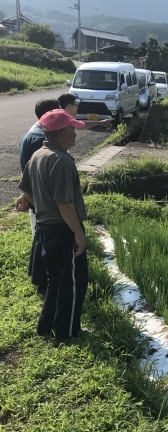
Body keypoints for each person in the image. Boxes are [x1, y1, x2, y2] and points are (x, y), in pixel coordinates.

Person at [17, 109, 88, 339]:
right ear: (63, 133)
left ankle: (47, 326)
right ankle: (67, 332)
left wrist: (37, 204)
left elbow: (25, 188)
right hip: (63, 228)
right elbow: (65, 204)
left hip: (45, 228)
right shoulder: (61, 161)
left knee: (55, 279)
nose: (76, 134)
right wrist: (78, 233)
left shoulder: (38, 155)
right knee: (73, 282)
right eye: (73, 130)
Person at [17, 98, 61, 292]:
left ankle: (39, 279)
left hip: (35, 198)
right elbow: (39, 176)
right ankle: (44, 284)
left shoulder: (31, 134)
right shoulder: (40, 140)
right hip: (43, 202)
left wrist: (25, 194)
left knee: (40, 239)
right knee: (45, 241)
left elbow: (27, 174)